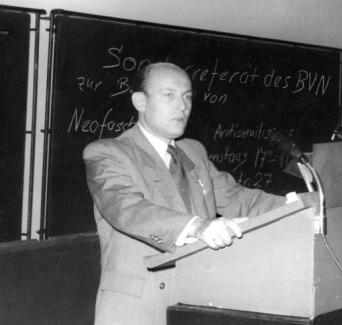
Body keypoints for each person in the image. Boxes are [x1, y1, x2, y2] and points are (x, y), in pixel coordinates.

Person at [83, 62, 288, 325]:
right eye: (169, 95)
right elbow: (126, 208)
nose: (182, 106)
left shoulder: (193, 152)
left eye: (187, 97)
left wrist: (301, 205)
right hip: (138, 310)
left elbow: (238, 199)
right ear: (140, 101)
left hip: (195, 304)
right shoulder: (107, 152)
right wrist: (198, 225)